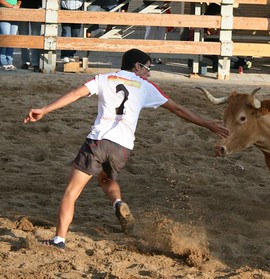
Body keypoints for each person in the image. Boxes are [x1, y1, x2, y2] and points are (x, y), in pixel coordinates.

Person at [23, 48, 229, 250]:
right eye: (148, 68)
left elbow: (75, 94)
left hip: (97, 141)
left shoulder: (104, 79)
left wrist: (44, 109)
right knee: (106, 179)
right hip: (122, 149)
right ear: (137, 66)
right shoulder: (146, 86)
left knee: (71, 192)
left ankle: (59, 240)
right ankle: (117, 202)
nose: (149, 73)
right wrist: (207, 124)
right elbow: (178, 109)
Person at [19, 0, 43, 72]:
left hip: (37, 8)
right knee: (24, 36)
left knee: (35, 36)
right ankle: (25, 61)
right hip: (23, 7)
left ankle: (35, 63)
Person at [0, 0, 20, 71]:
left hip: (15, 13)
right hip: (4, 12)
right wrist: (11, 7)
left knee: (12, 39)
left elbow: (19, 1)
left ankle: (10, 62)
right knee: (5, 38)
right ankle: (3, 63)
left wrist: (18, 5)